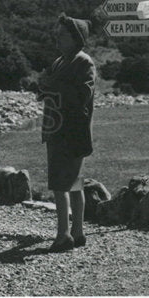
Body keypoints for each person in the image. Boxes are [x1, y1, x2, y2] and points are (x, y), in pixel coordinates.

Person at [37, 13, 96, 252]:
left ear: (76, 37)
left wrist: (50, 84)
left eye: (62, 35)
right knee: (71, 183)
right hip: (57, 129)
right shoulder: (61, 61)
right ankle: (77, 232)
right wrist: (43, 84)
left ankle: (63, 235)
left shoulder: (84, 62)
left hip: (71, 131)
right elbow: (44, 88)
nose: (57, 39)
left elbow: (82, 96)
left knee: (63, 184)